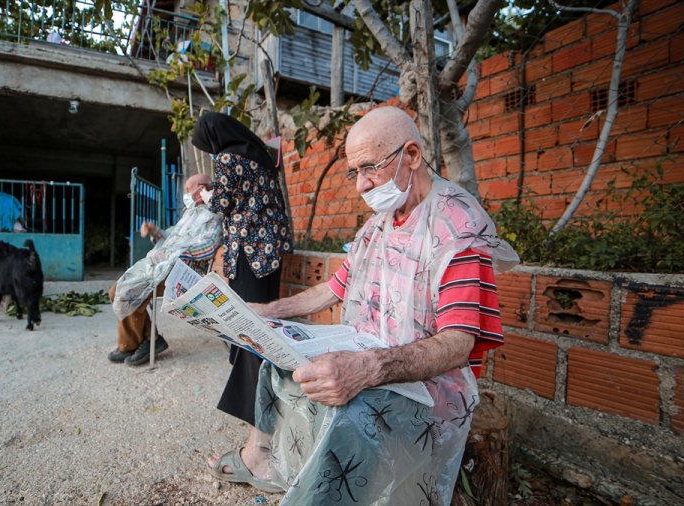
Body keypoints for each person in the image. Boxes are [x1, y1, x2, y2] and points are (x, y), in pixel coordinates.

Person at [206, 107, 520, 504]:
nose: (360, 185)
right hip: (370, 352)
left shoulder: (456, 228)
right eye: (354, 172)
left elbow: (458, 344)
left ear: (411, 155)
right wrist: (266, 312)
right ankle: (268, 462)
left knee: (351, 410)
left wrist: (367, 368)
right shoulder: (379, 223)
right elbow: (332, 289)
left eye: (370, 167)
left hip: (428, 387)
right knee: (275, 358)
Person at [191, 112, 294, 485]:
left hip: (249, 256)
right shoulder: (261, 155)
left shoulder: (228, 157)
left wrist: (206, 193)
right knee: (258, 330)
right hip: (269, 256)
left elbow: (221, 204)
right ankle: (264, 421)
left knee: (250, 336)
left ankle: (259, 445)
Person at [108, 173, 222, 366]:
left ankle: (137, 343)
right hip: (164, 268)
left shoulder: (213, 216)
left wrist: (177, 253)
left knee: (127, 291)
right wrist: (155, 231)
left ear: (202, 189)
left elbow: (209, 246)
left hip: (183, 274)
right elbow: (172, 238)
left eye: (188, 190)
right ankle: (145, 340)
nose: (185, 194)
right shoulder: (189, 214)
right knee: (117, 290)